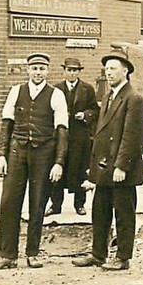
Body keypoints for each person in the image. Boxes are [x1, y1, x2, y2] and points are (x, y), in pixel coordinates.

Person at [0, 53, 69, 270]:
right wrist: (1, 156)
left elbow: (62, 130)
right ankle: (7, 255)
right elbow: (6, 125)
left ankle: (32, 253)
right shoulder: (16, 91)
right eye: (34, 68)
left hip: (44, 153)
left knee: (38, 202)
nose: (38, 72)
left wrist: (59, 162)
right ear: (27, 70)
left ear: (48, 71)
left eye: (42, 68)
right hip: (17, 152)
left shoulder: (57, 95)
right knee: (8, 202)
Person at [72, 51, 143, 271]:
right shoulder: (108, 97)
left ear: (125, 71)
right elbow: (101, 134)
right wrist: (94, 167)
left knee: (123, 214)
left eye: (113, 68)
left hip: (121, 169)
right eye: (107, 69)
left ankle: (123, 257)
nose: (109, 72)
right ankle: (98, 254)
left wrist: (122, 166)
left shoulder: (134, 99)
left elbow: (132, 137)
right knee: (100, 211)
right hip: (104, 168)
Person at [45, 57, 99, 217]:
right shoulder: (56, 89)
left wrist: (85, 115)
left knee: (81, 170)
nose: (72, 73)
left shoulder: (87, 89)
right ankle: (55, 205)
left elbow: (95, 110)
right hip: (60, 136)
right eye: (69, 70)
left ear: (79, 72)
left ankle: (79, 204)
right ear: (64, 71)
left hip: (80, 137)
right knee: (57, 169)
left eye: (75, 70)